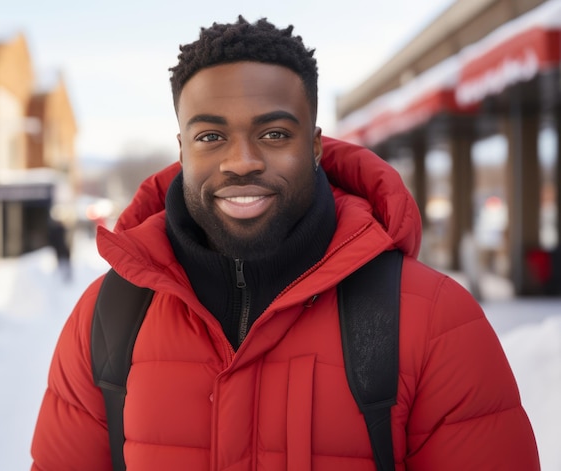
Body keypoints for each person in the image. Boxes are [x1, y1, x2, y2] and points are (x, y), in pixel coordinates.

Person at [30, 16, 540, 470]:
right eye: (211, 137)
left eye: (274, 134)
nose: (242, 161)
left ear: (315, 145)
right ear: (182, 149)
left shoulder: (432, 322)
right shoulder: (108, 317)